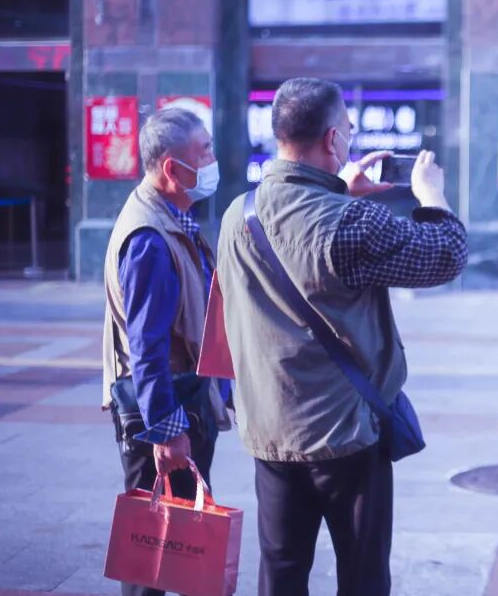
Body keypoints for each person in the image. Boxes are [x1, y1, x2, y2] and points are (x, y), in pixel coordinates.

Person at [216, 78, 468, 596]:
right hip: (344, 434)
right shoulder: (351, 222)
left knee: (281, 571)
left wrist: (339, 192)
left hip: (270, 429)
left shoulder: (237, 213)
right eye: (348, 131)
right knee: (362, 574)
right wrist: (431, 194)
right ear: (332, 139)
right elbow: (446, 254)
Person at [101, 108, 232, 596]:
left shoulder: (170, 216)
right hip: (168, 411)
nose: (213, 159)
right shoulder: (149, 240)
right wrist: (167, 431)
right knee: (153, 551)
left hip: (184, 400)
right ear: (173, 169)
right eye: (205, 151)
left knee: (176, 544)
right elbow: (147, 348)